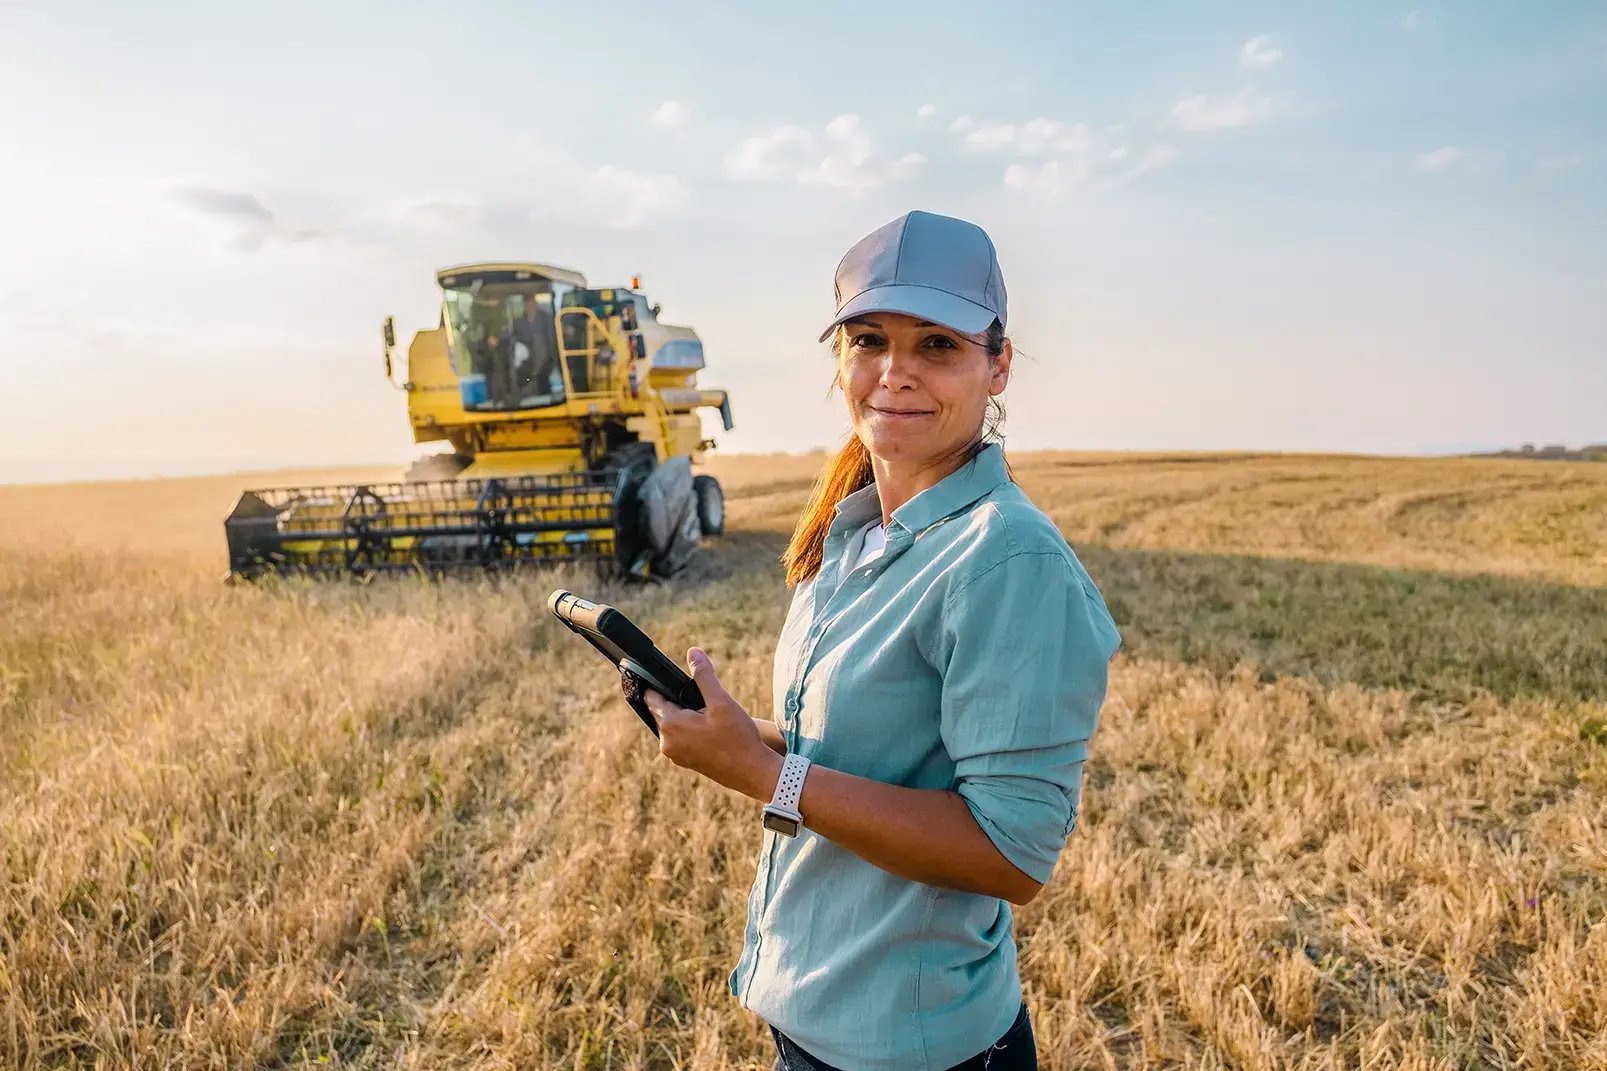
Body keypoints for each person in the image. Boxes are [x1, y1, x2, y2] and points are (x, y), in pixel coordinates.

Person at [642, 210, 1121, 1070]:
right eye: (869, 339)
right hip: (816, 1012)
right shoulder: (855, 531)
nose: (895, 371)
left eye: (937, 344)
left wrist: (764, 774)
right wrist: (738, 736)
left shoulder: (1007, 558)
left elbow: (1010, 852)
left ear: (997, 362)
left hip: (914, 1045)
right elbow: (870, 756)